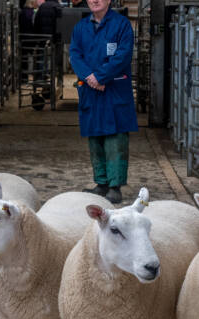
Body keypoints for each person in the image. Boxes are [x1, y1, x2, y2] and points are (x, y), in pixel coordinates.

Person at [69, 0, 137, 204]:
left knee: (115, 138)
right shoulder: (80, 27)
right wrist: (90, 77)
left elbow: (123, 56)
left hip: (114, 90)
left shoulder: (122, 24)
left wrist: (100, 77)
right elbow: (75, 54)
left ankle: (115, 186)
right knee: (95, 137)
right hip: (92, 91)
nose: (95, 1)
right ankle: (101, 183)